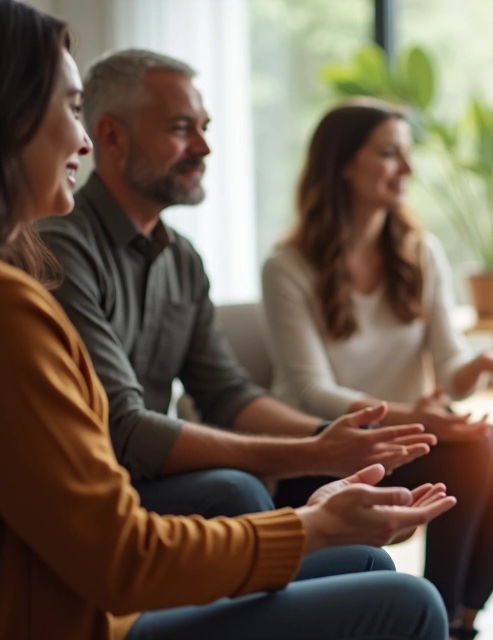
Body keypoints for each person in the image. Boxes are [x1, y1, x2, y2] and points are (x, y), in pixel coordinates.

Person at [0, 1, 454, 639]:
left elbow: (225, 391)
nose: (83, 138)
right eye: (68, 108)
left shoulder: (11, 283)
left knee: (368, 563)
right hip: (77, 612)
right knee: (407, 602)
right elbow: (119, 546)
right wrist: (310, 520)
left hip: (78, 585)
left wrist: (319, 460)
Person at [36, 49, 438, 521]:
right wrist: (311, 455)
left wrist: (327, 435)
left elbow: (226, 394)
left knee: (369, 561)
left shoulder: (181, 259)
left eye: (204, 128)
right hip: (90, 493)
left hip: (146, 481)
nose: (204, 148)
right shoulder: (60, 249)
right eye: (181, 128)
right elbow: (122, 429)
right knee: (234, 492)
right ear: (112, 137)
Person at [260, 99, 493, 640]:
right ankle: (435, 621)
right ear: (344, 163)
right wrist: (414, 418)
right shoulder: (287, 266)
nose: (408, 170)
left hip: (408, 442)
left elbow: (451, 368)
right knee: (473, 448)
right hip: (323, 450)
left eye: (406, 155)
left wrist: (480, 363)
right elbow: (311, 389)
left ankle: (457, 619)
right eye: (390, 154)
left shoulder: (421, 253)